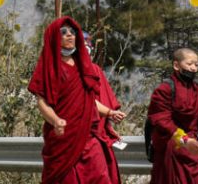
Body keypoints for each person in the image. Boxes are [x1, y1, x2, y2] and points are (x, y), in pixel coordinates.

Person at [27, 17, 111, 184]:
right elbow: (42, 102)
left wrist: (109, 112)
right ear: (53, 37)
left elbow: (89, 100)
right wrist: (55, 120)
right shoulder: (48, 66)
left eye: (73, 32)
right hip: (63, 139)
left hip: (88, 137)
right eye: (63, 32)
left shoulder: (83, 66)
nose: (69, 35)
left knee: (100, 177)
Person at [146, 48, 198, 184]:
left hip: (193, 145)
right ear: (176, 65)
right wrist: (184, 139)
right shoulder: (165, 89)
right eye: (189, 64)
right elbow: (162, 121)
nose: (193, 68)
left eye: (196, 65)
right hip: (172, 144)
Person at [84, 32, 127, 184]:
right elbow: (85, 100)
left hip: (97, 134)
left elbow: (100, 101)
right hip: (77, 135)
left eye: (87, 47)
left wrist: (108, 126)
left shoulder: (95, 70)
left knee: (102, 176)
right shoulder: (68, 70)